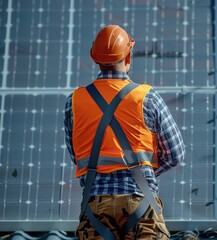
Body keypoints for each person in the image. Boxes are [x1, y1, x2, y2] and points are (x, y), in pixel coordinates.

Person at [64, 24, 185, 239]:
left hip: (95, 205)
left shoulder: (74, 102)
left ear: (95, 58)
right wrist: (143, 172)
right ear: (128, 57)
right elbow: (176, 153)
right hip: (140, 200)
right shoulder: (147, 97)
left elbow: (77, 156)